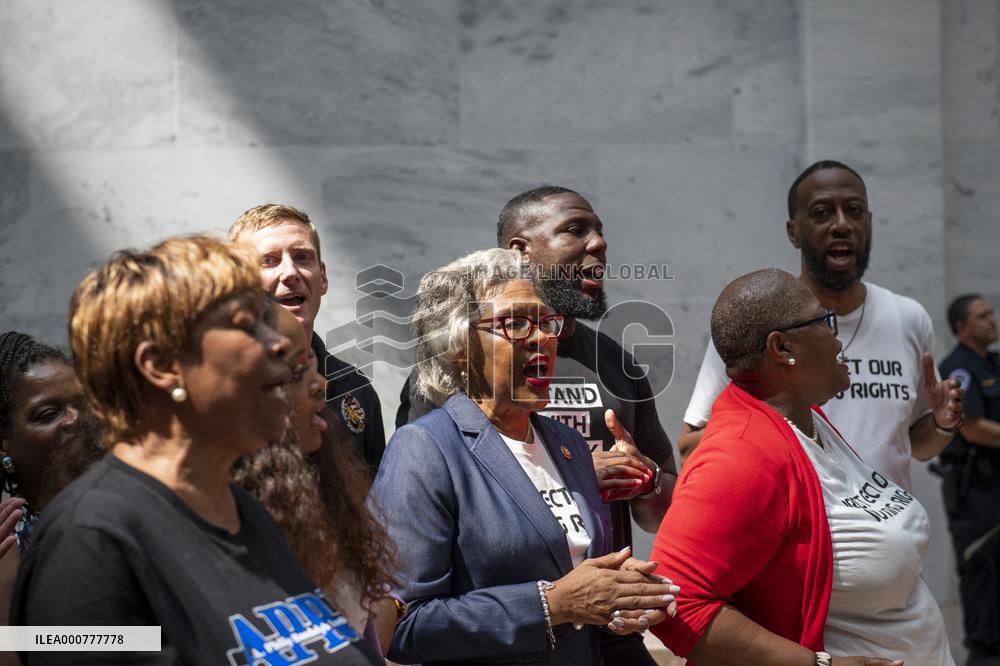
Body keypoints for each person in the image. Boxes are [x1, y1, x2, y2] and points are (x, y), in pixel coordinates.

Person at [12, 236, 379, 665]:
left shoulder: (246, 513)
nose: (279, 344)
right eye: (245, 326)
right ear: (162, 366)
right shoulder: (90, 542)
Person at [396, 186, 677, 666]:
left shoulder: (601, 385)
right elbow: (404, 620)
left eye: (546, 324)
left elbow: (656, 512)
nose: (599, 243)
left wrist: (642, 479)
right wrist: (554, 603)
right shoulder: (429, 429)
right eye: (575, 229)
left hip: (604, 644)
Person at [651, 268, 959, 665]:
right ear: (782, 348)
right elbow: (675, 600)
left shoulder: (805, 419)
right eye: (825, 321)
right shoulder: (740, 456)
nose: (838, 337)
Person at [679, 160, 963, 489]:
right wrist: (777, 410)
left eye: (854, 210)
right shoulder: (754, 320)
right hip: (796, 535)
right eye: (822, 213)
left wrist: (943, 424)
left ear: (869, 224)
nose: (841, 224)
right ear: (793, 231)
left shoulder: (909, 318)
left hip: (887, 532)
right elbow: (689, 449)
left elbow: (913, 445)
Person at [233, 303, 398, 658]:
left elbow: (377, 603)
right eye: (293, 371)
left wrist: (388, 606)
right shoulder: (170, 516)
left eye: (310, 362)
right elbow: (92, 640)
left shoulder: (317, 492)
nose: (319, 384)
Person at [229, 204, 386, 474]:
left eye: (302, 258)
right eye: (269, 260)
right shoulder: (228, 388)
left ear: (322, 277)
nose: (290, 273)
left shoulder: (356, 389)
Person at [0, 332, 104, 660]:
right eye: (48, 414)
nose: (76, 420)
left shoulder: (139, 505)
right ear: (4, 445)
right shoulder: (10, 544)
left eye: (82, 404)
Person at [938, 294, 1000, 665]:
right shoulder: (957, 369)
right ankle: (983, 654)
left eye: (991, 314)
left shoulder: (993, 360)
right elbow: (973, 428)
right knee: (982, 571)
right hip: (975, 490)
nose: (992, 321)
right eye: (983, 316)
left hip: (997, 487)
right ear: (962, 327)